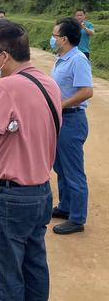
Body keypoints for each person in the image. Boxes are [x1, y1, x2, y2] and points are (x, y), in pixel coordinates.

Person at [0, 20, 62, 301]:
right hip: (40, 193)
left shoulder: (6, 87)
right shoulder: (48, 83)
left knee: (4, 277)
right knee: (34, 266)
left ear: (4, 56)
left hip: (9, 198)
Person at [51, 17, 93, 234]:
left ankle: (77, 218)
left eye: (55, 35)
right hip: (60, 120)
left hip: (71, 119)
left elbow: (87, 91)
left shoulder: (78, 60)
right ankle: (65, 207)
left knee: (73, 171)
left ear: (64, 39)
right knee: (61, 167)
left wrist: (61, 104)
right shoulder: (62, 58)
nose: (53, 38)